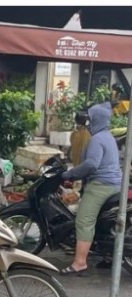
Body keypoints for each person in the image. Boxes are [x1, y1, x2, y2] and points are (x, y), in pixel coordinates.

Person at [60, 101, 122, 275]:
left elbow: (91, 165)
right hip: (114, 185)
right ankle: (108, 256)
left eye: (90, 118)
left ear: (95, 120)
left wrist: (70, 174)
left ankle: (80, 262)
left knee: (84, 221)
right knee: (103, 221)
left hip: (100, 186)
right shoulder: (108, 137)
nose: (88, 122)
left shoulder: (97, 139)